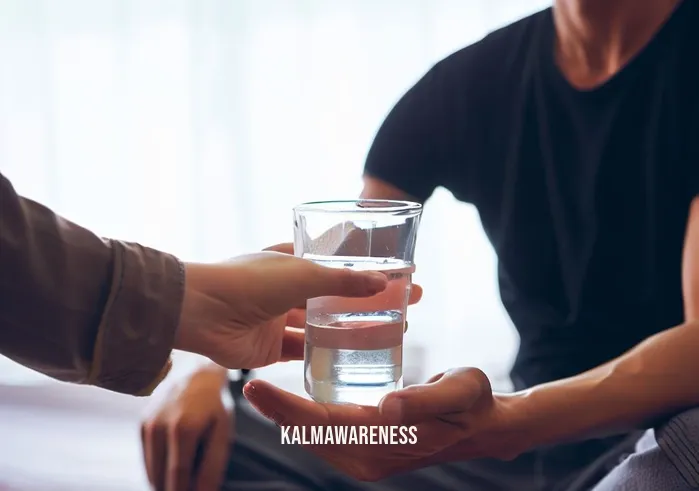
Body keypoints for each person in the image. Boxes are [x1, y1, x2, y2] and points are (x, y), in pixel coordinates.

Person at [141, 0, 699, 489]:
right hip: (521, 450)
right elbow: (335, 267)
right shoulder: (471, 83)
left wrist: (509, 422)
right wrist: (204, 367)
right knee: (221, 435)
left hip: (654, 432)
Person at [0, 172, 391, 396]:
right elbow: (362, 234)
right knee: (218, 448)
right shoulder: (438, 102)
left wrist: (191, 308)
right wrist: (201, 366)